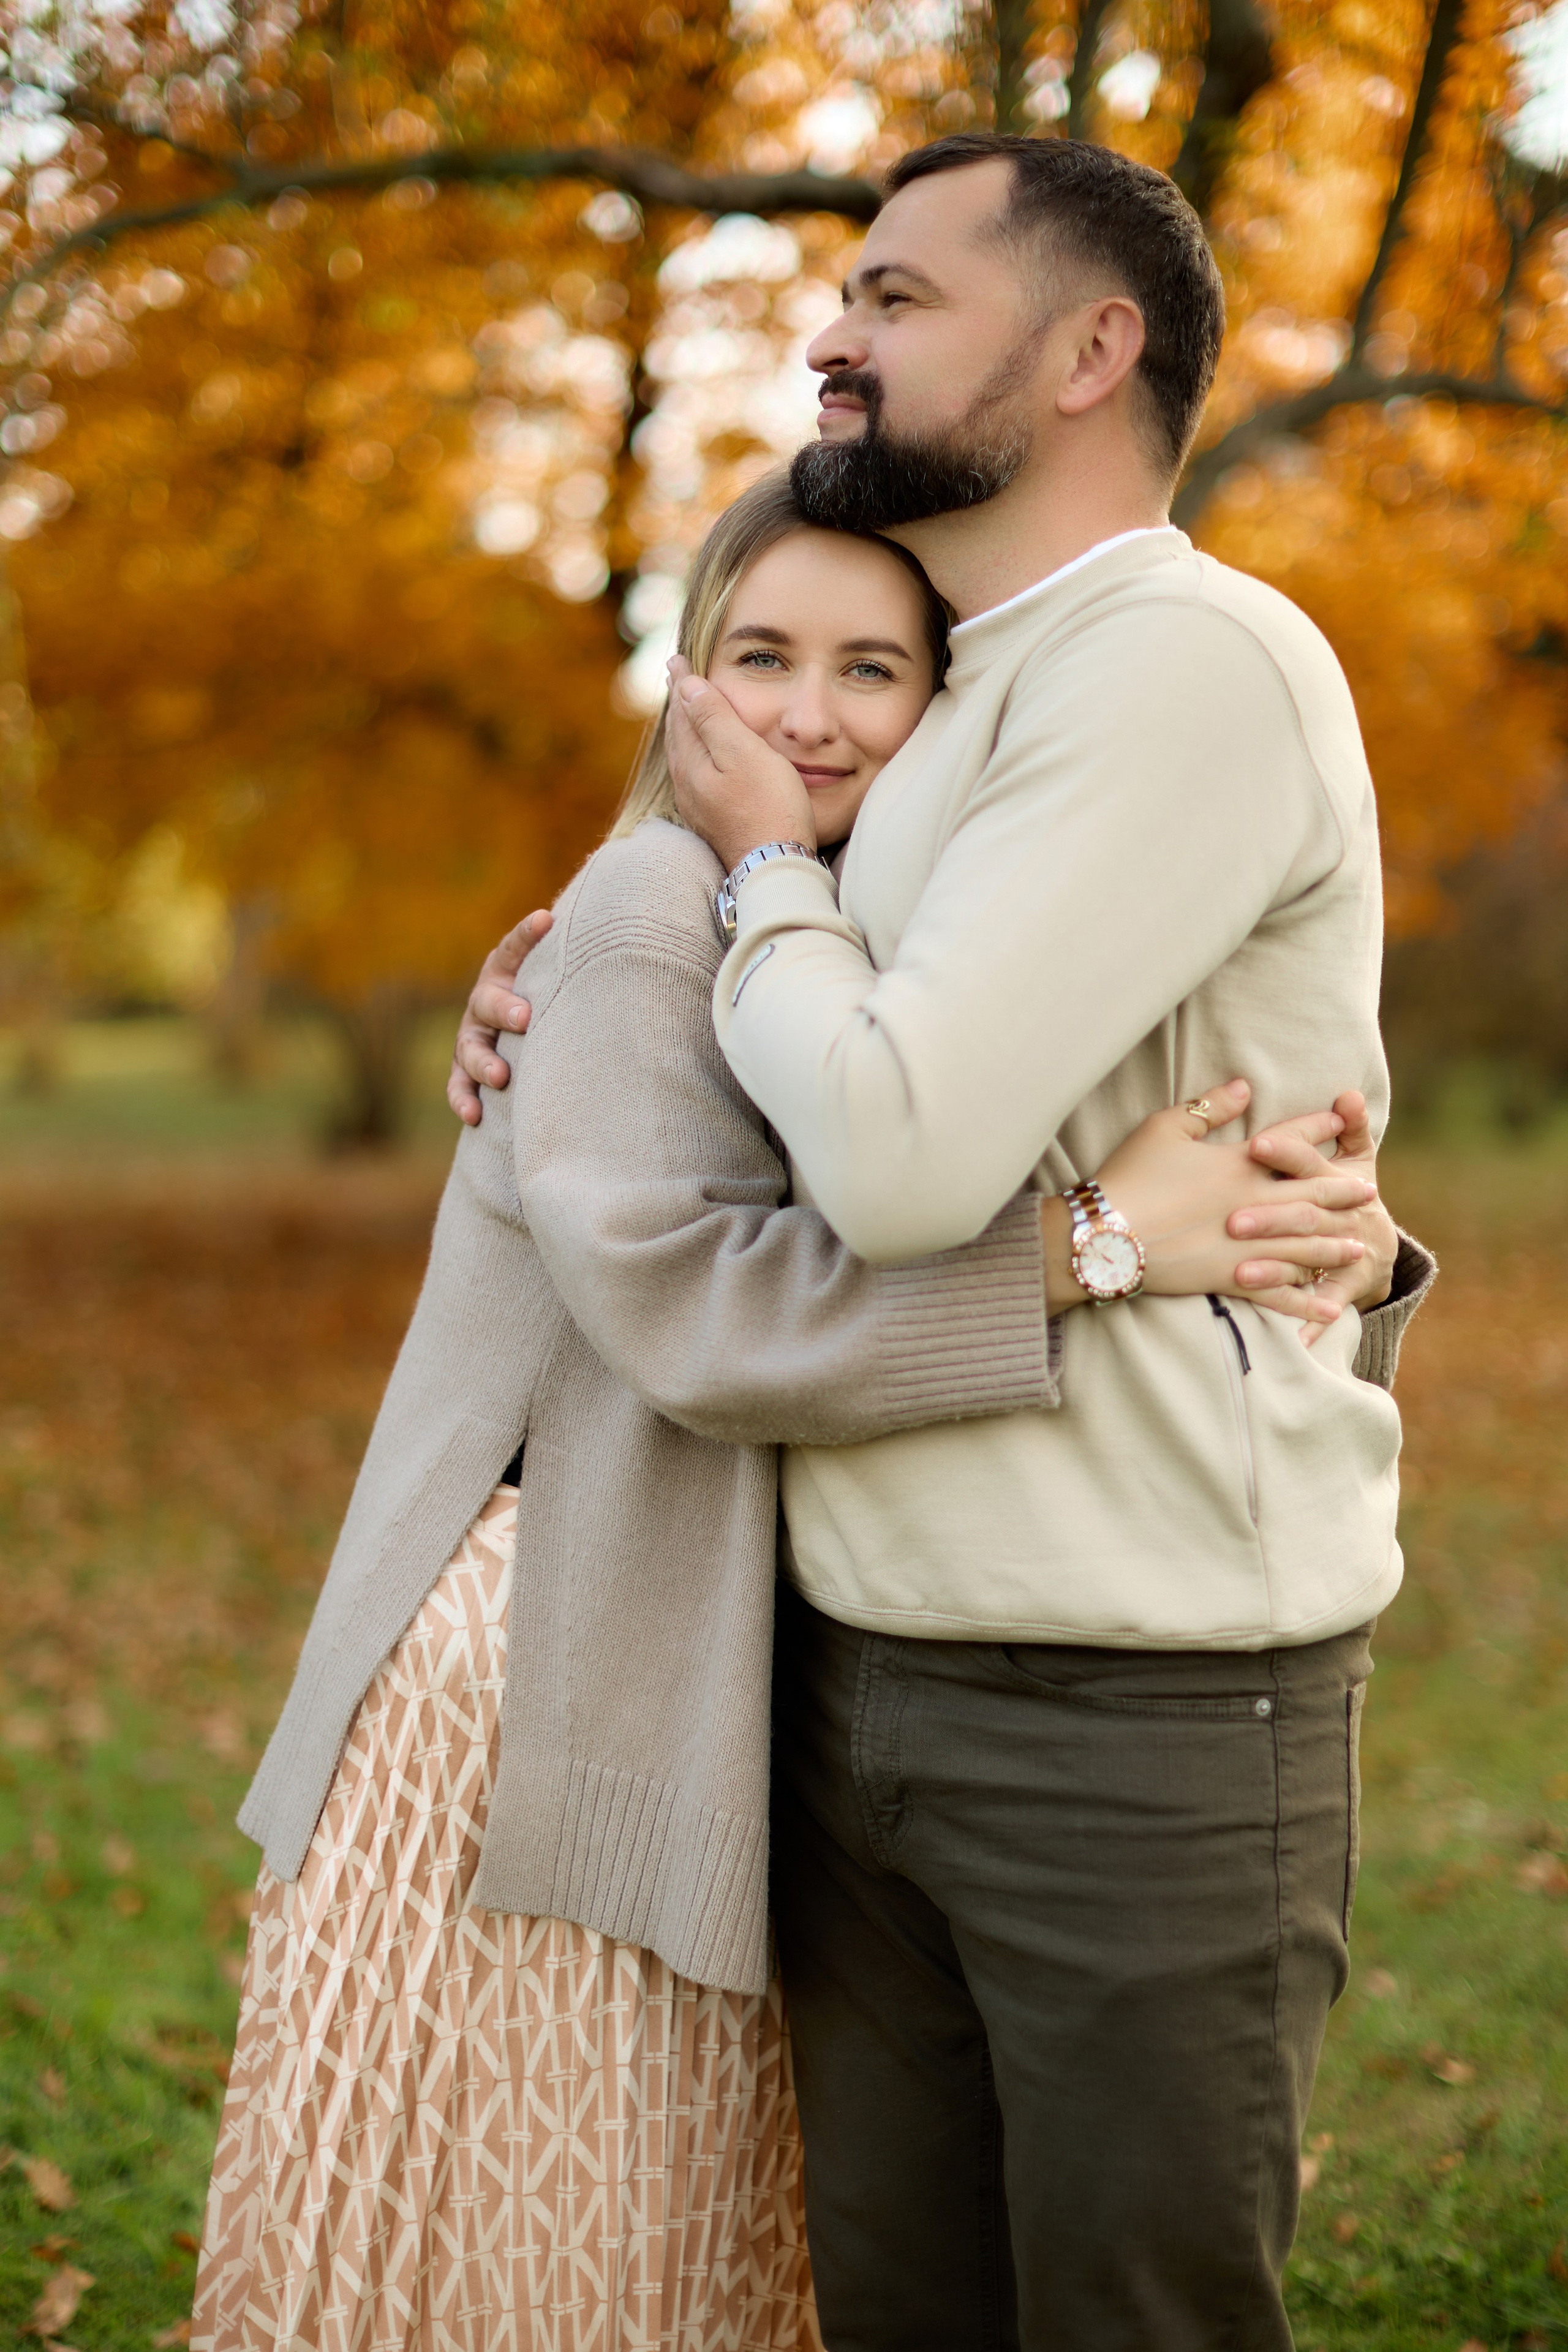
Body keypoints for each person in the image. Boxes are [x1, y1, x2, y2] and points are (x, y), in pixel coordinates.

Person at [195, 480, 1419, 2352]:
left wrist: (1308, 1227)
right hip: (541, 1685)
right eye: (761, 658)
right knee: (548, 2274)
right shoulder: (641, 918)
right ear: (686, 684)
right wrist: (1093, 1245)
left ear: (946, 712)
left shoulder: (849, 954)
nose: (809, 717)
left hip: (678, 1651)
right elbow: (702, 1312)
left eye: (876, 670)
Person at [663, 137, 1431, 2350]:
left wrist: (754, 894)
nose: (833, 335)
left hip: (1143, 1708)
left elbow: (895, 1154)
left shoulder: (1186, 666)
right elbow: (792, 1088)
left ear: (1094, 349)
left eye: (897, 298)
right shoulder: (929, 695)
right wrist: (577, 971)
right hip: (847, 1670)